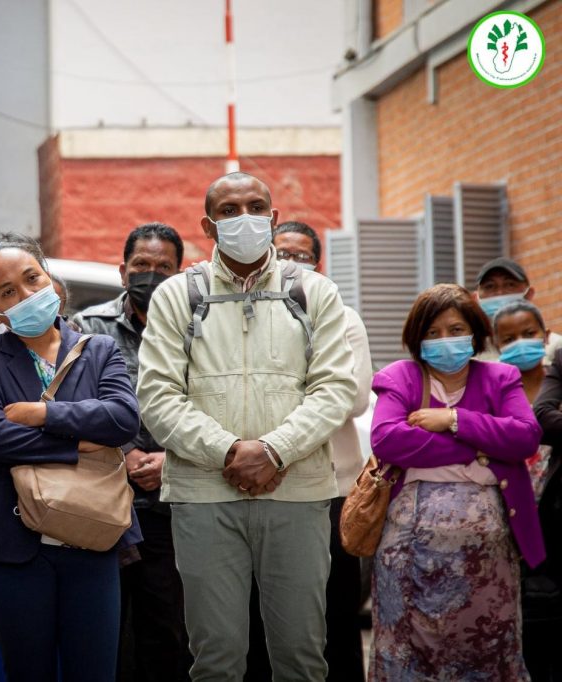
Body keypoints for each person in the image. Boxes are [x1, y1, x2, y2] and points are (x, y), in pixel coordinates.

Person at [136, 172, 357, 681]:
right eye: (229, 210)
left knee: (302, 657)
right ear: (208, 226)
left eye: (256, 207)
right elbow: (157, 396)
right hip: (204, 495)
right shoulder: (176, 296)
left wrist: (275, 451)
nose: (245, 218)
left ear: (273, 218)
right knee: (216, 659)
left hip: (296, 493)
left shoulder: (314, 292)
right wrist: (231, 452)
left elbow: (334, 389)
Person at [0, 233, 141, 682]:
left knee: (94, 672)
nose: (26, 294)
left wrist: (43, 414)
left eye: (32, 278)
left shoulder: (98, 349)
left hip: (92, 534)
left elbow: (122, 419)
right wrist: (78, 444)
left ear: (49, 278)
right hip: (10, 545)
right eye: (7, 292)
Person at [368, 283, 543, 679]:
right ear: (417, 338)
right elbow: (387, 439)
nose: (444, 339)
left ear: (475, 332)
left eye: (455, 329)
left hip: (487, 559)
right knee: (411, 654)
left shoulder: (500, 377)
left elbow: (525, 436)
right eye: (432, 332)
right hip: (408, 555)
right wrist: (478, 449)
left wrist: (454, 420)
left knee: (486, 649)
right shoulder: (400, 377)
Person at [243, 221, 373, 682]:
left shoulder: (342, 317)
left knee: (335, 615)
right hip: (264, 488)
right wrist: (313, 392)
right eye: (282, 253)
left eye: (302, 256)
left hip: (330, 490)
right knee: (262, 617)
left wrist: (277, 397)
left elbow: (353, 398)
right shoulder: (245, 317)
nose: (291, 263)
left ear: (318, 264)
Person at [71, 222, 192, 682]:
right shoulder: (89, 328)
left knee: (167, 631)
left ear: (180, 274)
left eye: (164, 267)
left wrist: (172, 461)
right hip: (106, 503)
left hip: (173, 505)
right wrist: (121, 454)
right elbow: (74, 403)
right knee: (105, 632)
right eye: (141, 265)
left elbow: (212, 407)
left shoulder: (201, 329)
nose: (151, 274)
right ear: (123, 272)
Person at [493, 300, 562, 681]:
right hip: (513, 533)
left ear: (545, 336)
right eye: (509, 339)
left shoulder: (556, 383)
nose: (520, 343)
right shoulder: (494, 396)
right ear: (495, 345)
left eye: (529, 333)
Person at [474, 257, 562, 362]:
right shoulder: (473, 352)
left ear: (529, 294)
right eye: (490, 286)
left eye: (510, 284)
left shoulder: (556, 347)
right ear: (476, 298)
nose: (500, 293)